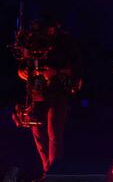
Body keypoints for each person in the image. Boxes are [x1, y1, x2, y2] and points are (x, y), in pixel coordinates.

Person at [11, 15, 82, 176]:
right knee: (38, 133)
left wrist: (54, 73)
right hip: (36, 93)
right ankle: (48, 171)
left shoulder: (64, 41)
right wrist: (26, 72)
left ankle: (53, 173)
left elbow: (76, 69)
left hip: (57, 92)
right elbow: (23, 66)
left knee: (53, 132)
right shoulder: (33, 40)